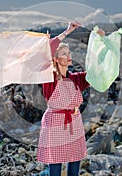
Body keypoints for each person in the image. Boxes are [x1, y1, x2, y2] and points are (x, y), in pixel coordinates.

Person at [37, 21, 105, 176]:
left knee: (74, 161)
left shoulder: (76, 79)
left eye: (69, 52)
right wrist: (67, 32)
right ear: (54, 59)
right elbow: (47, 50)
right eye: (64, 53)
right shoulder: (49, 77)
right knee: (55, 164)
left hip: (74, 121)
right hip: (54, 122)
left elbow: (96, 69)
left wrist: (100, 41)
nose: (69, 56)